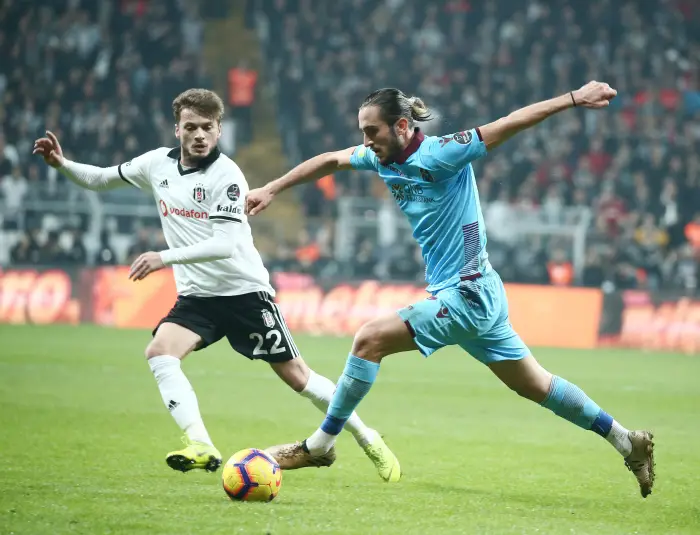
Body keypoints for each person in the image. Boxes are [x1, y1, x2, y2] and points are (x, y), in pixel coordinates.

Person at [246, 83, 655, 497]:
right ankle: (626, 440)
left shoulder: (442, 153)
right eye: (364, 132)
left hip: (468, 294)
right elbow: (332, 160)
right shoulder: (379, 156)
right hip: (478, 295)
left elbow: (509, 123)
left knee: (368, 339)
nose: (366, 141)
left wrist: (573, 98)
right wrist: (273, 188)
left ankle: (320, 445)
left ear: (402, 126)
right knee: (537, 385)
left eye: (373, 131)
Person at [33, 88, 398, 480]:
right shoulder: (157, 164)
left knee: (299, 378)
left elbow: (224, 245)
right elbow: (102, 179)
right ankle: (201, 444)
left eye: (207, 127)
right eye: (191, 127)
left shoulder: (227, 176)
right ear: (177, 130)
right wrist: (62, 164)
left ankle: (367, 437)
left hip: (244, 293)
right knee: (159, 352)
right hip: (198, 297)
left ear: (220, 130)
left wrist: (163, 258)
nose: (199, 135)